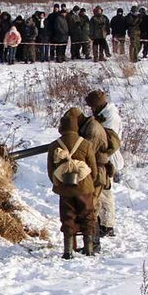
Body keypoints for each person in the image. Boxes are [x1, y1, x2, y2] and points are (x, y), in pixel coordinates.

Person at [47, 110, 99, 259]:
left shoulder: (54, 146)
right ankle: (89, 249)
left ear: (61, 128)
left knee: (67, 217)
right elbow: (93, 169)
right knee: (87, 215)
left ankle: (68, 251)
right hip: (85, 187)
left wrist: (59, 183)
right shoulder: (86, 144)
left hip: (65, 188)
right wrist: (89, 183)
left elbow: (51, 171)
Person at [84, 90, 124, 239]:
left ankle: (107, 225)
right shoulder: (104, 115)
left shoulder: (110, 118)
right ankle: (103, 222)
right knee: (101, 193)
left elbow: (103, 139)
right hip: (103, 158)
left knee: (105, 193)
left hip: (107, 159)